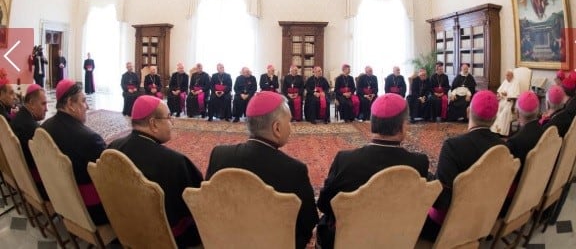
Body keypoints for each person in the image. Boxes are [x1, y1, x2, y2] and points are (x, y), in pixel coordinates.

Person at [206, 92, 318, 249]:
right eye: (290, 121)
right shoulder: (294, 170)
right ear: (277, 128)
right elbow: (309, 223)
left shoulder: (219, 155)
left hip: (227, 242)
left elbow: (209, 205)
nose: (291, 127)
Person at [317, 94, 430, 248]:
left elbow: (324, 205)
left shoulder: (345, 160)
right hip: (397, 238)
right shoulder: (419, 163)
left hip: (351, 240)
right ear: (404, 126)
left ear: (371, 124)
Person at [108, 96, 203, 248]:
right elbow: (200, 202)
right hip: (168, 240)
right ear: (153, 124)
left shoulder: (113, 147)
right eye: (168, 117)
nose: (172, 123)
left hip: (126, 229)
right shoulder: (175, 162)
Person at [421, 90, 504, 241]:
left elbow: (441, 200)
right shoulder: (503, 146)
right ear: (495, 117)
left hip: (450, 224)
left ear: (468, 111)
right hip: (485, 215)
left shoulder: (453, 146)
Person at [41, 79, 108, 225]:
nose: (88, 106)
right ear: (70, 104)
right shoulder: (89, 139)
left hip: (60, 198)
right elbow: (110, 176)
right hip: (90, 211)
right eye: (83, 101)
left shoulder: (44, 127)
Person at [10, 84, 49, 199]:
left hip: (20, 176)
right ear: (31, 104)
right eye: (43, 104)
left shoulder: (20, 116)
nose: (47, 108)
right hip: (36, 184)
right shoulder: (33, 129)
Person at [491, 70, 521, 136]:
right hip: (502, 101)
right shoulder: (505, 81)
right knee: (497, 110)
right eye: (506, 75)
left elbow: (516, 95)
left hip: (510, 102)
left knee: (504, 113)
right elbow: (499, 91)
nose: (506, 77)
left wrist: (507, 95)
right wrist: (499, 94)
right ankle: (495, 130)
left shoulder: (516, 83)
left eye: (508, 75)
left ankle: (501, 132)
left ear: (512, 76)